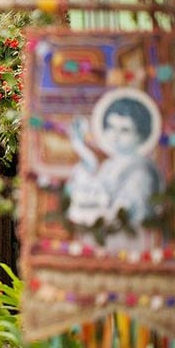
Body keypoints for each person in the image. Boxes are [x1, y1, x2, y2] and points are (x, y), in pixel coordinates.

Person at [65, 92, 162, 252]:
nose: (115, 136)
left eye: (125, 130)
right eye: (111, 127)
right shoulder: (109, 165)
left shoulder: (141, 170)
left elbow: (127, 211)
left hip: (128, 242)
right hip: (101, 238)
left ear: (140, 135)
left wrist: (98, 209)